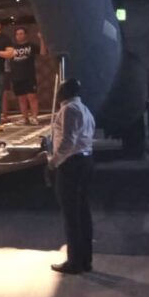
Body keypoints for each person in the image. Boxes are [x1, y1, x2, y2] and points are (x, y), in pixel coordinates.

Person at [47, 78, 96, 275]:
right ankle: (85, 260)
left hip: (71, 164)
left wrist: (53, 162)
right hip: (85, 160)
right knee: (83, 212)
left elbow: (67, 142)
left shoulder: (68, 110)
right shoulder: (85, 109)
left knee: (71, 215)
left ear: (65, 92)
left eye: (60, 89)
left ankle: (74, 262)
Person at [6, 27, 46, 125]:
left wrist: (42, 39)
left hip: (29, 76)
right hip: (16, 76)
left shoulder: (31, 45)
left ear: (25, 35)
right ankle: (25, 118)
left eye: (21, 33)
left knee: (32, 97)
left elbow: (43, 53)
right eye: (17, 34)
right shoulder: (12, 47)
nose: (19, 36)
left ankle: (34, 117)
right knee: (21, 99)